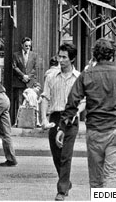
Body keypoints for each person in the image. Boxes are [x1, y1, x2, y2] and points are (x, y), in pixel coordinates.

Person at [58, 38, 116, 189]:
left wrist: (63, 126)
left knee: (96, 178)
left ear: (95, 56)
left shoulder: (86, 75)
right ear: (112, 56)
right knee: (112, 175)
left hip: (95, 130)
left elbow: (72, 101)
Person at [40, 43, 84, 201]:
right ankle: (65, 180)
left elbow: (84, 100)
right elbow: (45, 97)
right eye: (59, 56)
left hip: (71, 118)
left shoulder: (79, 78)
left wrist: (76, 112)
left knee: (66, 154)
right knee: (56, 154)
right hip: (55, 116)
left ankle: (62, 190)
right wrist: (44, 119)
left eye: (64, 57)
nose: (61, 60)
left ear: (72, 59)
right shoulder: (51, 76)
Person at [12, 37, 38, 123]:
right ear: (22, 45)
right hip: (19, 82)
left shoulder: (34, 55)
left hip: (30, 83)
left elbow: (35, 68)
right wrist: (23, 76)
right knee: (19, 102)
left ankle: (30, 122)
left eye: (29, 46)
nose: (28, 47)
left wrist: (28, 77)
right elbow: (14, 67)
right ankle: (18, 122)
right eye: (26, 45)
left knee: (31, 103)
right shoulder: (16, 55)